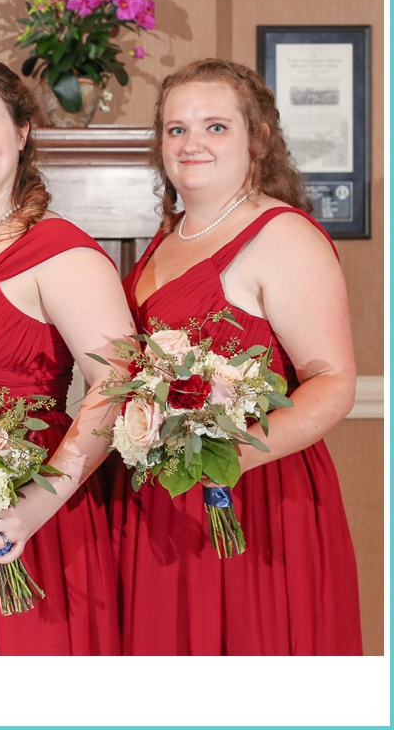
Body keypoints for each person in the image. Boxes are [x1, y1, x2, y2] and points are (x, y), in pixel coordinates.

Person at [118, 59, 362, 654]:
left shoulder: (282, 235)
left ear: (259, 138)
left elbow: (333, 381)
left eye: (215, 127)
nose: (191, 143)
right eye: (176, 129)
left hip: (253, 495)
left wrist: (227, 462)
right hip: (163, 495)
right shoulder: (168, 237)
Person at [0, 60, 128, 655]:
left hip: (28, 501)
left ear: (22, 132)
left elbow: (116, 385)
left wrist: (36, 505)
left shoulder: (61, 251)